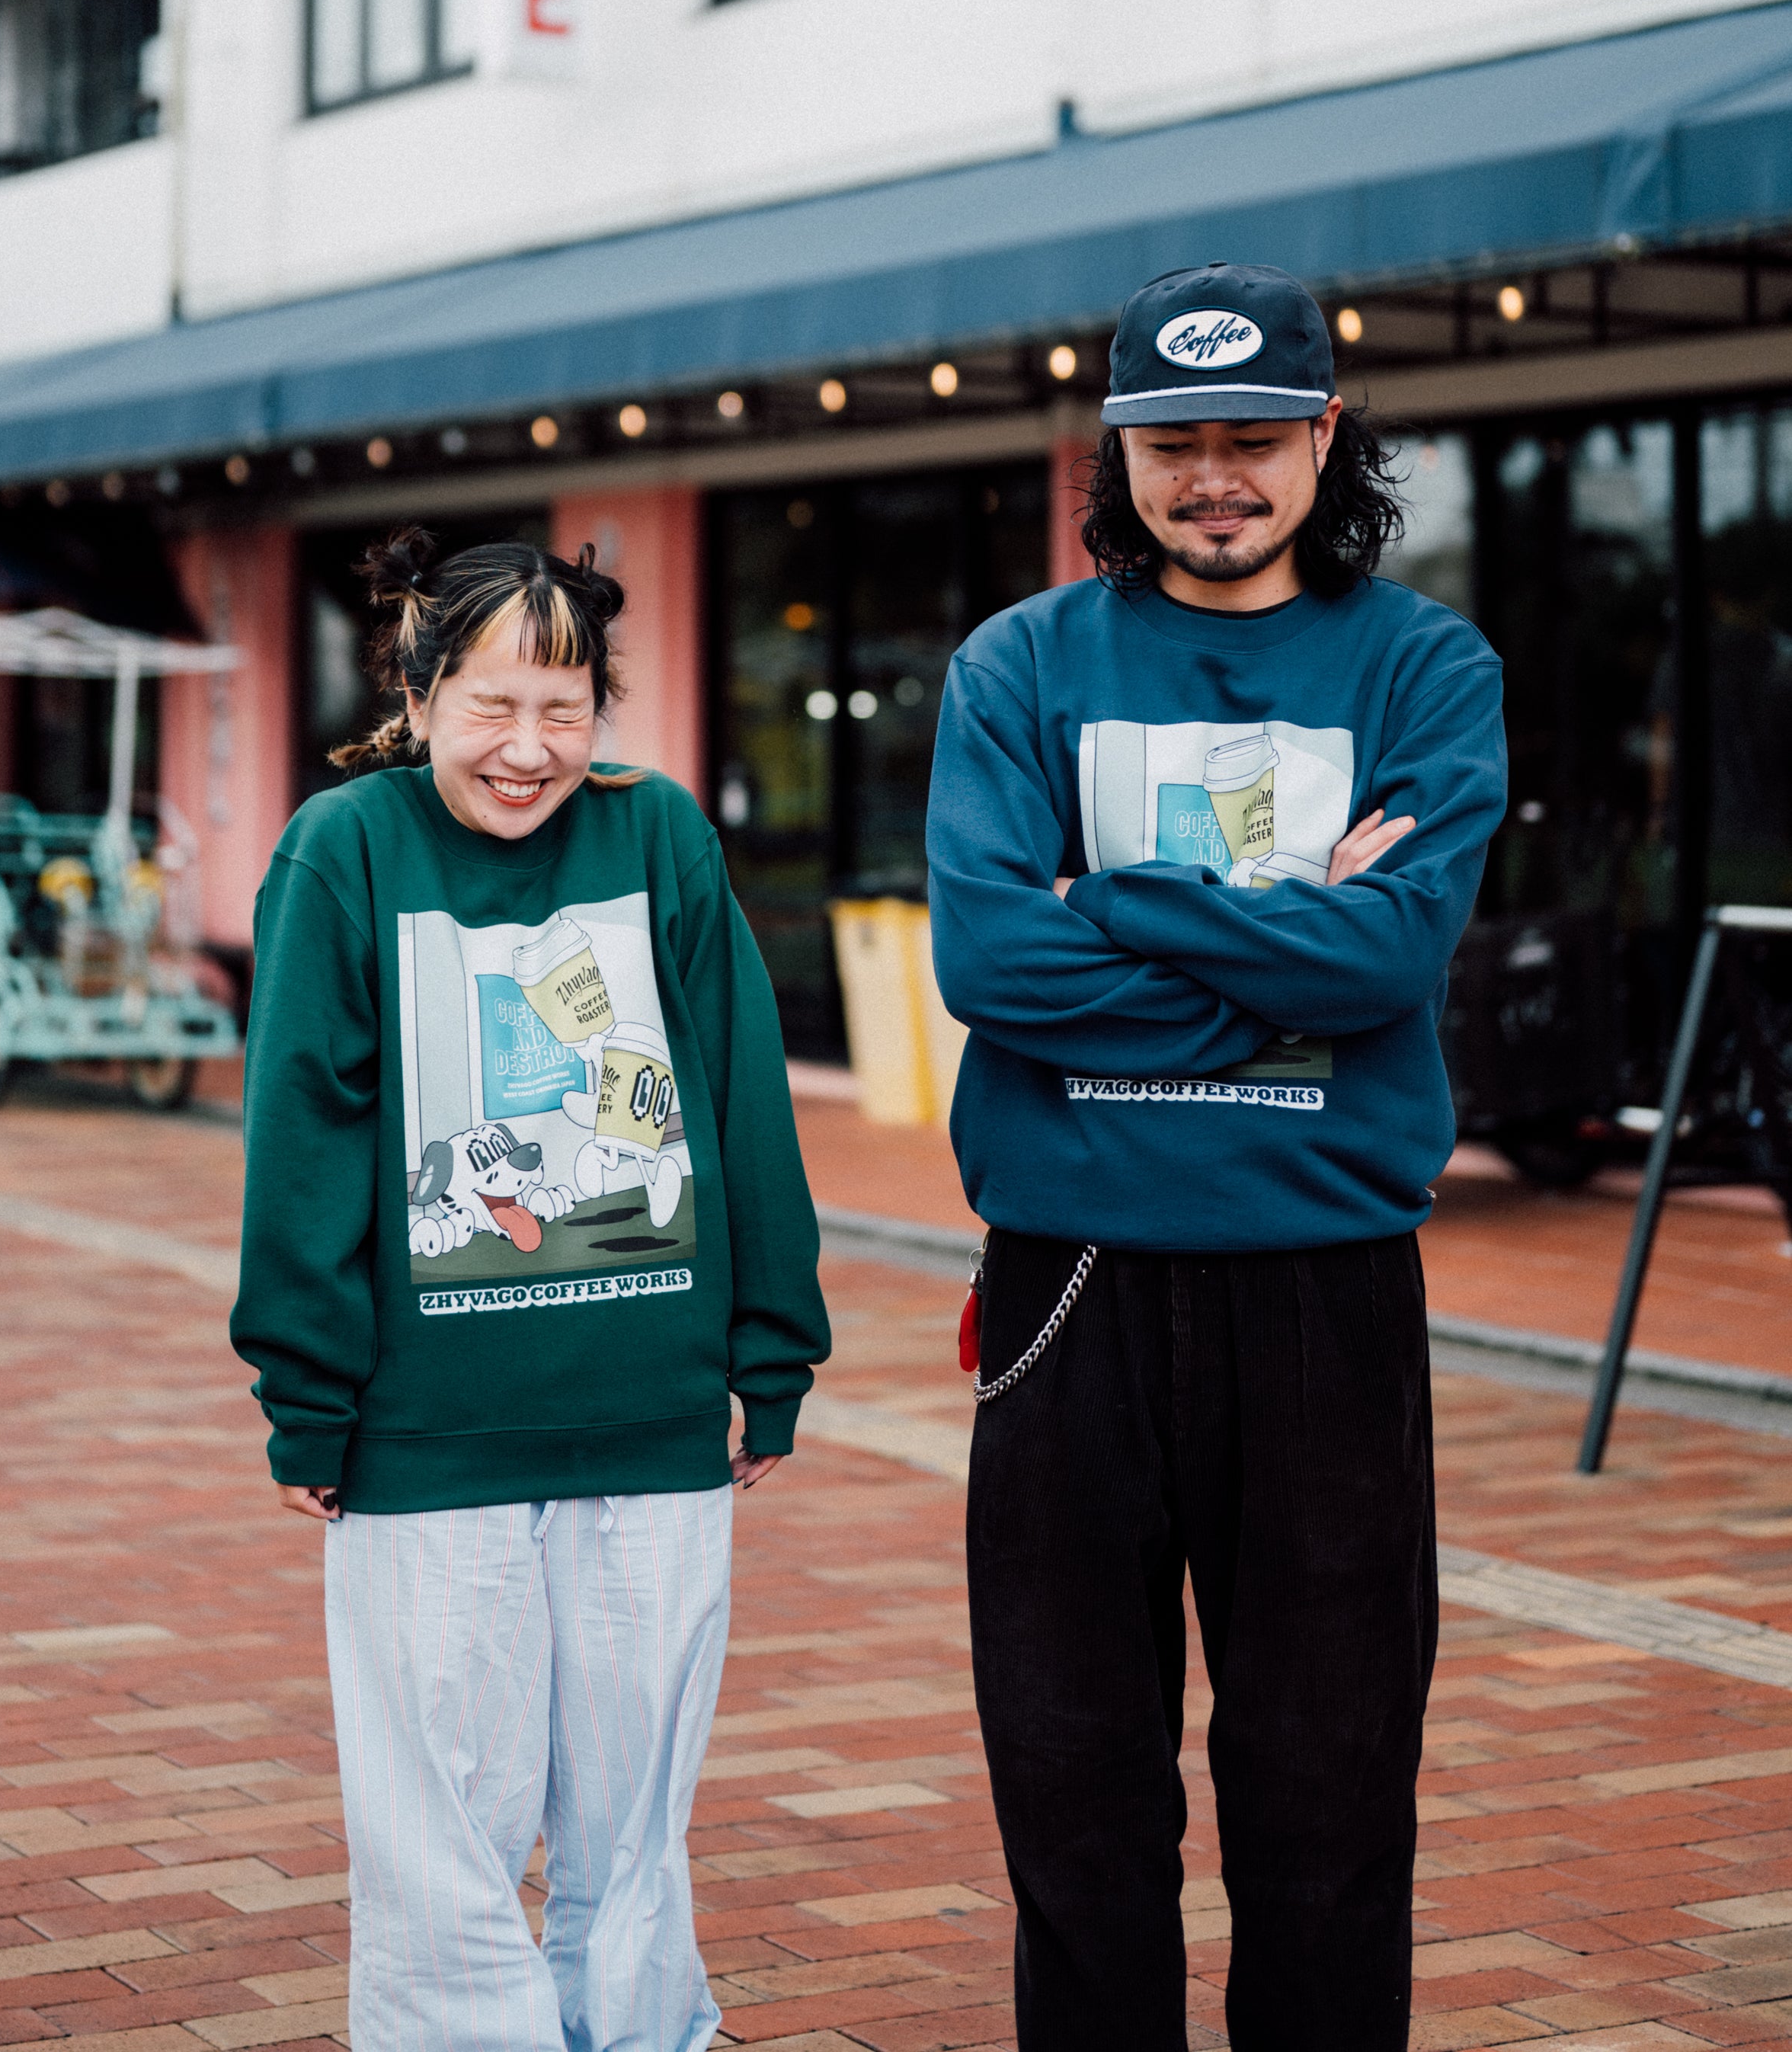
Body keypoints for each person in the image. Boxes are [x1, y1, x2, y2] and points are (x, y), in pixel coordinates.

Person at [926, 262, 1507, 2052]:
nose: (1214, 477)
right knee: (1073, 1781)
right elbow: (986, 961)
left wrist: (1105, 907)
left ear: (1323, 437)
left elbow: (1388, 957)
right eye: (1174, 441)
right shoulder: (1020, 661)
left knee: (1327, 1789)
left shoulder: (1421, 665)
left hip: (1324, 1289)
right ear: (1119, 448)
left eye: (1253, 435)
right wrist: (1268, 955)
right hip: (1067, 1284)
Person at [232, 533, 829, 2052]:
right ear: (418, 693)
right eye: (491, 704)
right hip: (426, 1439)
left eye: (563, 708)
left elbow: (738, 1096)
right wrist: (308, 1396)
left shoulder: (659, 839)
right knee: (442, 1830)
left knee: (634, 1823)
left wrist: (773, 1349)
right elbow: (303, 1129)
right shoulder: (344, 846)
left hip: (650, 1420)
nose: (527, 747)